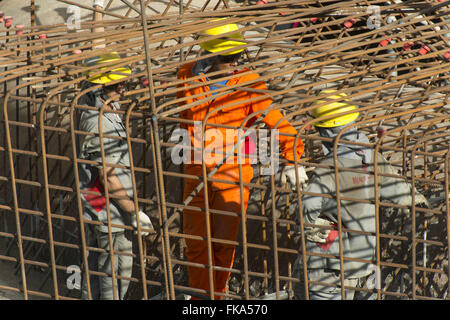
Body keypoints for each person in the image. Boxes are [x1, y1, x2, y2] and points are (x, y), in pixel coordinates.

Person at [176, 20, 306, 299]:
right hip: (196, 167)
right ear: (209, 56)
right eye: (228, 58)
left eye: (237, 57)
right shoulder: (186, 75)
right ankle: (201, 297)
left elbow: (275, 120)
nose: (234, 62)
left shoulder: (248, 81)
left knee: (223, 243)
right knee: (196, 241)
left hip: (232, 171)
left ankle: (216, 296)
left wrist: (292, 157)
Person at [292, 90, 429, 300]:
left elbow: (308, 208)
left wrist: (309, 224)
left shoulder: (330, 168)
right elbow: (406, 195)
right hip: (362, 262)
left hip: (327, 265)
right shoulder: (373, 158)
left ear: (326, 133)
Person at [77, 51, 154, 300]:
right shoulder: (98, 121)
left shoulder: (104, 101)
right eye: (116, 84)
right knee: (111, 269)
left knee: (110, 263)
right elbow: (108, 177)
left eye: (124, 83)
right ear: (102, 86)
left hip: (107, 203)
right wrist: (133, 212)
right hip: (103, 204)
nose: (122, 88)